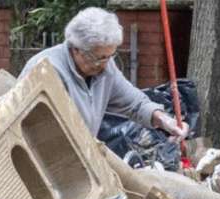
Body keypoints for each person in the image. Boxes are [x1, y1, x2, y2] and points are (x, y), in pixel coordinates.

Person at [19, 7, 188, 140]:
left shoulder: (105, 68)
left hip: (82, 156)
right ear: (76, 49)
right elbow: (30, 128)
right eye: (99, 58)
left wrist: (165, 121)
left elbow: (135, 103)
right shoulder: (45, 70)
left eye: (110, 56)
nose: (105, 64)